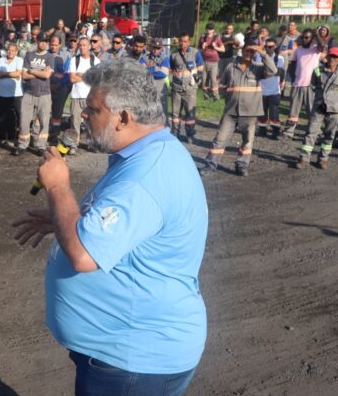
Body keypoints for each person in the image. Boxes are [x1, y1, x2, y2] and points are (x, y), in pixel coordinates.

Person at [12, 58, 208, 396]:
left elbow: (84, 255)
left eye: (93, 109)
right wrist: (62, 220)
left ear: (124, 118)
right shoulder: (150, 152)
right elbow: (127, 227)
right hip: (127, 353)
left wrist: (58, 188)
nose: (84, 116)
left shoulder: (143, 178)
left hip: (132, 362)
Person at [202, 41, 276, 176]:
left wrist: (263, 53)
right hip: (231, 111)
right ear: (242, 51)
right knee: (220, 139)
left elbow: (273, 71)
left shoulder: (258, 68)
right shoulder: (231, 67)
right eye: (247, 50)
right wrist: (229, 98)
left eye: (252, 52)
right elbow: (223, 84)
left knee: (247, 141)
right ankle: (210, 165)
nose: (249, 54)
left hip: (250, 113)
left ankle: (241, 165)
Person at [296, 47, 338, 169]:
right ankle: (304, 159)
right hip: (319, 106)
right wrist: (321, 99)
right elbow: (313, 86)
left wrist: (335, 101)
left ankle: (323, 158)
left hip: (334, 108)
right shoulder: (318, 71)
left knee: (330, 134)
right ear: (327, 57)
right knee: (311, 132)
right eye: (331, 56)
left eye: (335, 57)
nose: (332, 59)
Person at [15, 33, 54, 156]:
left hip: (44, 94)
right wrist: (38, 71)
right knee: (24, 121)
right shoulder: (29, 55)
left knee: (44, 121)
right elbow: (25, 75)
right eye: (42, 41)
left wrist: (32, 70)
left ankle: (41, 146)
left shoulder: (49, 57)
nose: (44, 43)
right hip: (29, 93)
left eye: (46, 41)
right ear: (37, 41)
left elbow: (47, 75)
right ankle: (22, 144)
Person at [283, 29, 323, 139]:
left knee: (312, 111)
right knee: (293, 111)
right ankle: (289, 132)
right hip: (297, 85)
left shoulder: (315, 50)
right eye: (303, 37)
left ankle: (315, 132)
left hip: (311, 86)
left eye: (307, 37)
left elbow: (322, 46)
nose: (304, 39)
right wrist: (294, 76)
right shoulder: (298, 50)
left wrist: (317, 35)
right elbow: (292, 64)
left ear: (312, 38)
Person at [67, 37, 100, 153]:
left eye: (84, 45)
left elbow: (96, 79)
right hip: (76, 96)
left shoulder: (95, 61)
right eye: (80, 45)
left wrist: (80, 75)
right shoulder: (74, 60)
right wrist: (87, 76)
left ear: (89, 46)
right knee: (75, 121)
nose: (82, 47)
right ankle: (74, 144)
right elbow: (72, 79)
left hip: (90, 97)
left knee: (91, 122)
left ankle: (91, 143)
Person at [170, 33, 204, 143]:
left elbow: (201, 67)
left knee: (190, 113)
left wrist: (195, 76)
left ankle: (190, 135)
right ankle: (175, 133)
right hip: (176, 88)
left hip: (189, 88)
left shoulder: (195, 53)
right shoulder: (174, 54)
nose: (182, 43)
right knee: (175, 113)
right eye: (181, 41)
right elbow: (171, 68)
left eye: (185, 41)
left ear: (189, 42)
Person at [256, 38, 286, 138]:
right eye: (266, 46)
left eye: (270, 47)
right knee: (262, 112)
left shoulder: (279, 58)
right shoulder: (259, 57)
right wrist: (270, 72)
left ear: (275, 47)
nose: (268, 48)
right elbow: (259, 70)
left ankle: (276, 132)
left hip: (274, 91)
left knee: (274, 113)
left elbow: (279, 72)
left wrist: (267, 73)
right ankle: (262, 130)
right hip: (261, 90)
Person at [49, 35, 72, 135]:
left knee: (57, 113)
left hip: (60, 88)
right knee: (43, 112)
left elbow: (66, 74)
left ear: (60, 45)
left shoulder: (66, 55)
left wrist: (57, 85)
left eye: (56, 45)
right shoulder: (45, 54)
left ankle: (55, 134)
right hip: (46, 87)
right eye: (52, 45)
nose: (53, 47)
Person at [199, 23, 225, 101]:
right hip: (204, 61)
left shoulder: (217, 38)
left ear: (213, 30)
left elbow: (223, 49)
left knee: (213, 79)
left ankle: (215, 96)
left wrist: (215, 47)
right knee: (204, 79)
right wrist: (202, 47)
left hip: (214, 62)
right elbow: (198, 50)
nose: (209, 30)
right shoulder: (202, 38)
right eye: (207, 28)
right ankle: (206, 95)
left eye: (210, 29)